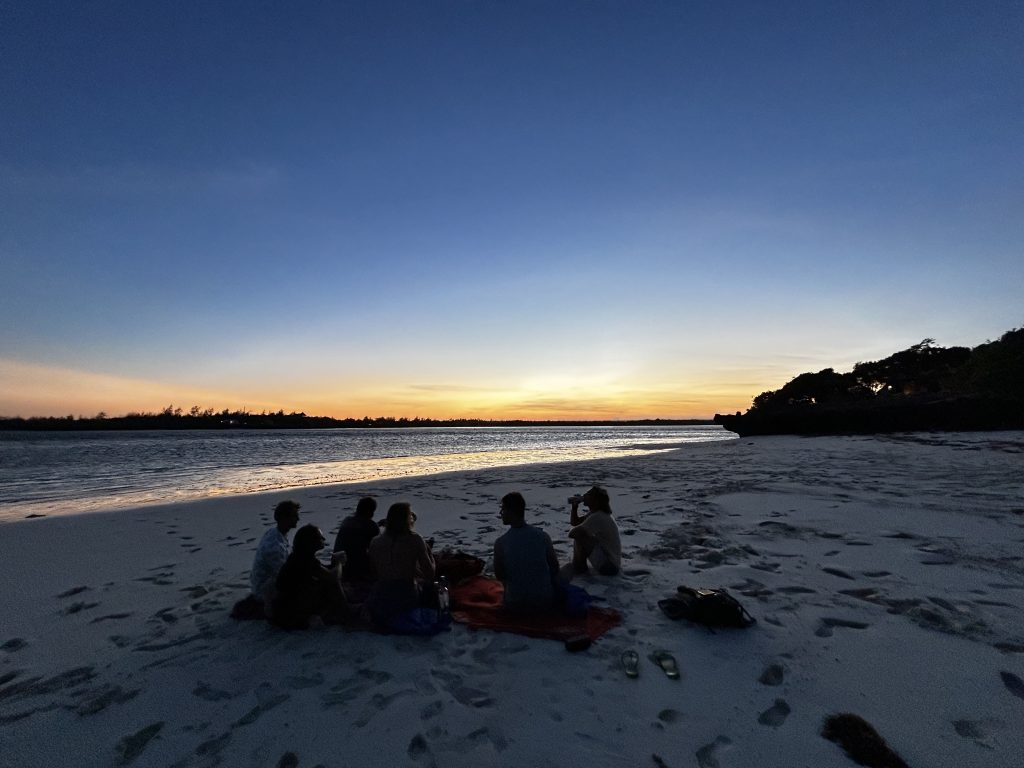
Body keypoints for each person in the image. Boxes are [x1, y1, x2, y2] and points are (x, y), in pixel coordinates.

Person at [366, 502, 435, 626]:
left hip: (380, 596)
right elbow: (430, 574)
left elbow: (374, 572)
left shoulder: (375, 541)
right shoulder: (415, 539)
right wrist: (429, 554)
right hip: (405, 597)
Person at [271, 524, 349, 629]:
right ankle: (346, 612)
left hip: (283, 608)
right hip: (289, 613)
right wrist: (339, 563)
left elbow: (322, 571)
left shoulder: (299, 557)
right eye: (320, 537)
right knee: (332, 585)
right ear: (311, 542)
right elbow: (333, 577)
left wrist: (334, 564)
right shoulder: (304, 560)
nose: (324, 539)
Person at [493, 491, 560, 612]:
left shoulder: (501, 543)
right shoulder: (543, 536)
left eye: (503, 509)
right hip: (544, 601)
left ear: (511, 512)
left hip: (515, 603)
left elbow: (500, 575)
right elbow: (554, 567)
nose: (501, 513)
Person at [249, 500, 301, 612]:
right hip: (264, 591)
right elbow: (285, 576)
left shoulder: (275, 533)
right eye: (294, 516)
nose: (298, 519)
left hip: (265, 582)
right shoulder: (274, 547)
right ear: (284, 518)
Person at [568, 485, 621, 577]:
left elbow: (573, 533)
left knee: (580, 535)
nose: (584, 495)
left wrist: (582, 533)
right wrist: (574, 507)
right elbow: (575, 522)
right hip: (610, 564)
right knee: (582, 533)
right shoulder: (596, 513)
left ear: (595, 500)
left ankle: (579, 568)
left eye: (588, 494)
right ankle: (578, 566)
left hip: (609, 567)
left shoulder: (598, 516)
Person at [332, 496, 380, 581]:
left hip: (339, 562)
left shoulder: (347, 521)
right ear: (371, 512)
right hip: (356, 566)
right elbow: (377, 547)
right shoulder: (371, 526)